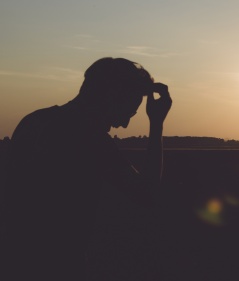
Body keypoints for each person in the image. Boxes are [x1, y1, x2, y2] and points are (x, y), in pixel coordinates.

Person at [1, 57, 172, 280]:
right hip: (60, 264)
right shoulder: (90, 139)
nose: (124, 124)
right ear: (112, 96)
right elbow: (146, 193)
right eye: (127, 112)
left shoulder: (33, 121)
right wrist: (157, 124)